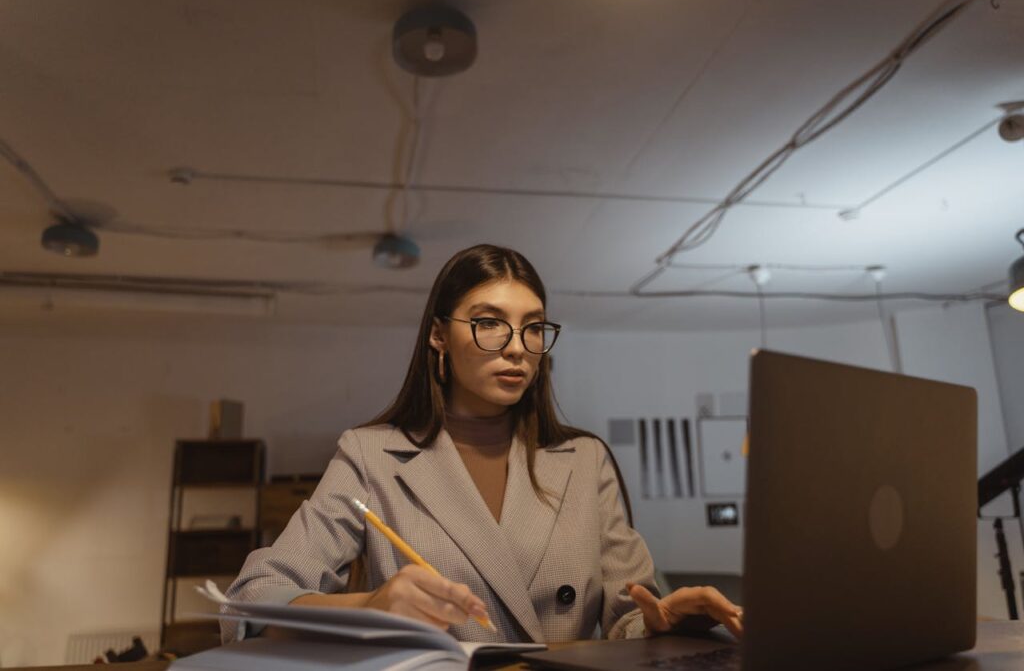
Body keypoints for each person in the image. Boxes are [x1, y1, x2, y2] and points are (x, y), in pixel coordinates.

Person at [222, 244, 743, 644]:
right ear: (438, 336)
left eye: (533, 328)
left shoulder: (585, 460)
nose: (517, 348)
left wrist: (664, 619)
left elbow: (627, 614)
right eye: (489, 323)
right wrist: (369, 607)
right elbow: (252, 600)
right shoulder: (371, 455)